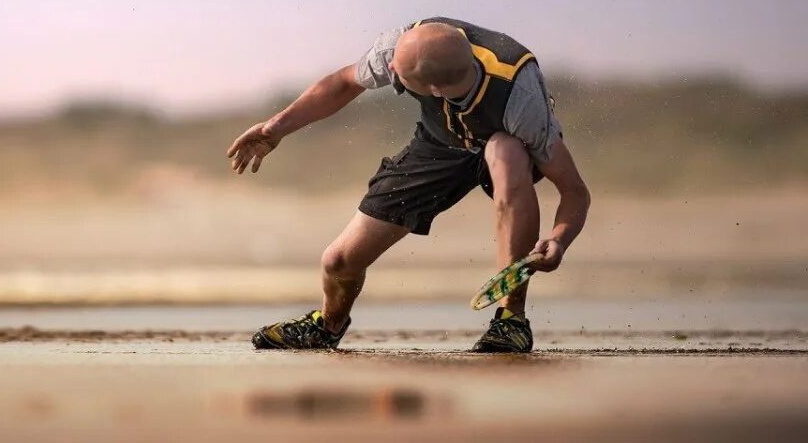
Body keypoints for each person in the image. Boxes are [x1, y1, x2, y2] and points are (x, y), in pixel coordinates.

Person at [227, 17, 591, 353]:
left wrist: (558, 240)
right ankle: (327, 325)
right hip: (438, 145)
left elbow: (574, 191)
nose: (388, 72)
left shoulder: (519, 98)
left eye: (395, 75)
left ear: (434, 89)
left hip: (503, 143)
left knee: (505, 151)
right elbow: (342, 83)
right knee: (338, 261)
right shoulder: (401, 46)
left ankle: (512, 321)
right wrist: (275, 128)